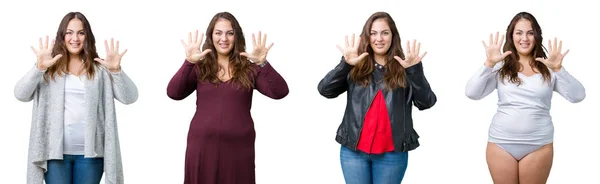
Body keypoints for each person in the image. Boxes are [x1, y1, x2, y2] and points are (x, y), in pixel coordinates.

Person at [14, 12, 138, 184]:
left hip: (91, 155)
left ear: (87, 36)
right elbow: (20, 94)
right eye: (69, 32)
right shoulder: (49, 68)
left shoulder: (99, 69)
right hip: (55, 155)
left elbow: (130, 97)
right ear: (62, 36)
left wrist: (116, 71)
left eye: (81, 32)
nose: (75, 38)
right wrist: (38, 68)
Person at [166, 12, 289, 184]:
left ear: (236, 36)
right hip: (202, 149)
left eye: (229, 33)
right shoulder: (200, 67)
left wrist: (262, 63)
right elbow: (174, 93)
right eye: (218, 33)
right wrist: (189, 62)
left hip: (238, 152)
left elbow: (280, 92)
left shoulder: (249, 69)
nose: (224, 38)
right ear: (211, 36)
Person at [465, 11, 586, 184]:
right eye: (519, 33)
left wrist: (559, 69)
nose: (525, 38)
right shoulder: (501, 66)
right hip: (501, 144)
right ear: (511, 36)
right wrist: (489, 64)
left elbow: (578, 96)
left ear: (536, 36)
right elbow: (472, 93)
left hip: (538, 145)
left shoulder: (549, 67)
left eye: (530, 33)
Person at [317, 11, 437, 184]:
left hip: (392, 154)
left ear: (393, 36)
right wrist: (345, 65)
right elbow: (325, 90)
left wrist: (414, 70)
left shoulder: (405, 66)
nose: (379, 39)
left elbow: (426, 102)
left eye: (384, 33)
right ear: (367, 36)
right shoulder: (355, 64)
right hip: (353, 153)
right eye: (373, 33)